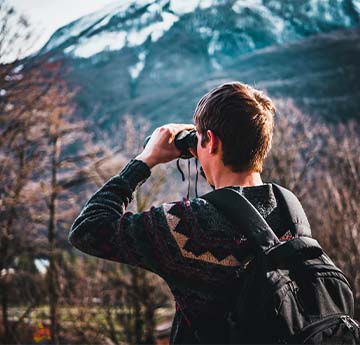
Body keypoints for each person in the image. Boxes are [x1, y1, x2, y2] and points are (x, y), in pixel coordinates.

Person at [69, 81, 297, 343]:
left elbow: (88, 229)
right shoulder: (289, 212)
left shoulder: (192, 228)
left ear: (210, 142)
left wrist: (144, 160)